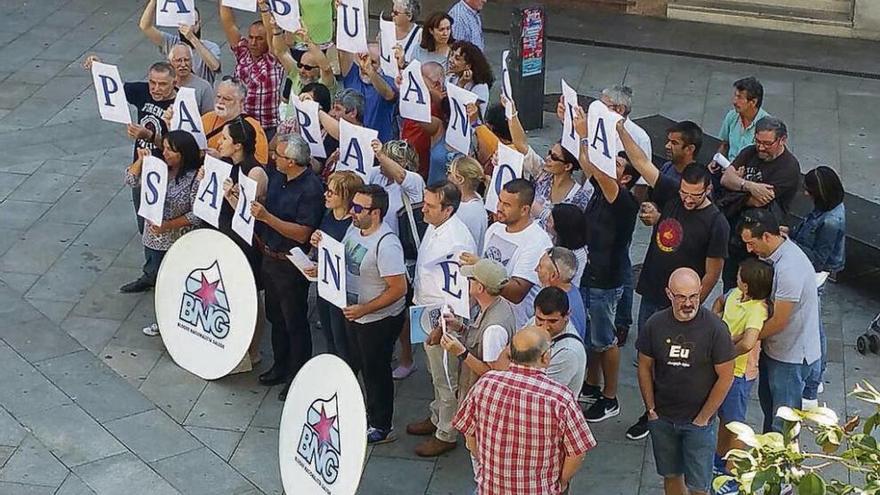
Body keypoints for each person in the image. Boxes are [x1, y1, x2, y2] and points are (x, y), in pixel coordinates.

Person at [620, 123, 730, 439]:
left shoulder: (716, 224)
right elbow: (642, 163)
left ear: (707, 190)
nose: (687, 200)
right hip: (654, 290)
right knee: (647, 356)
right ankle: (650, 410)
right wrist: (621, 131)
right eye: (684, 193)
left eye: (694, 196)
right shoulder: (671, 192)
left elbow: (712, 272)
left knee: (672, 361)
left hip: (680, 304)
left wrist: (690, 305)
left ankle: (666, 411)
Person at [452, 325, 596, 495]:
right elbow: (577, 452)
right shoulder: (560, 398)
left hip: (491, 487)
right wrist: (562, 483)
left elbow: (469, 432)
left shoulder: (486, 383)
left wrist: (484, 462)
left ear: (511, 354)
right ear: (545, 357)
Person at [636, 268, 735, 495]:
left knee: (699, 486)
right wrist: (651, 409)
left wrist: (703, 418)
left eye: (694, 296)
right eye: (681, 297)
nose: (688, 303)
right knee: (671, 476)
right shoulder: (655, 324)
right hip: (663, 418)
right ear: (669, 294)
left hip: (698, 425)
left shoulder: (715, 329)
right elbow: (644, 365)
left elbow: (726, 376)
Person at [322, 185, 408, 444]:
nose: (352, 212)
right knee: (355, 362)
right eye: (353, 206)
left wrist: (365, 309)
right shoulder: (354, 228)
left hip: (377, 320)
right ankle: (361, 410)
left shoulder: (387, 244)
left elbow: (398, 289)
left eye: (359, 208)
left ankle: (382, 425)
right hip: (354, 314)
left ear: (377, 213)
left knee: (376, 372)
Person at [571, 107, 639, 424]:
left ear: (625, 178)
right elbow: (588, 165)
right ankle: (592, 383)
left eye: (617, 164)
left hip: (605, 280)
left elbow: (597, 171)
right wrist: (577, 131)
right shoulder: (601, 188)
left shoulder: (623, 200)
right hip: (589, 273)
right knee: (591, 337)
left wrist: (586, 133)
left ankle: (610, 397)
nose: (606, 164)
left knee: (604, 339)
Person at [406, 180, 476, 457]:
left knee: (447, 376)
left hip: (443, 318)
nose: (423, 209)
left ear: (447, 210)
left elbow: (458, 292)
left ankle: (446, 431)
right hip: (425, 309)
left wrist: (442, 325)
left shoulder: (456, 241)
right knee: (435, 372)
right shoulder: (436, 227)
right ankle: (437, 415)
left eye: (430, 206)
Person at [251, 134, 324, 401]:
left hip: (292, 263)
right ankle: (280, 364)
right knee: (275, 315)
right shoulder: (278, 178)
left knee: (294, 320)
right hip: (270, 257)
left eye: (279, 155)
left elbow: (303, 233)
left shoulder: (311, 189)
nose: (273, 158)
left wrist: (267, 218)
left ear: (292, 161)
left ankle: (298, 372)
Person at [738, 209, 821, 433]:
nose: (749, 249)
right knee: (770, 411)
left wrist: (743, 339)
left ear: (767, 236)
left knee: (783, 423)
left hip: (791, 356)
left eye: (751, 243)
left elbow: (779, 321)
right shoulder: (776, 255)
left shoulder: (789, 268)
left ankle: (782, 465)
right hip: (776, 349)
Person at [82, 56, 177, 234]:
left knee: (163, 226)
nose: (156, 89)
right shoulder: (143, 91)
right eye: (152, 82)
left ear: (174, 82)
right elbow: (112, 88)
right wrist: (99, 68)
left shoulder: (179, 105)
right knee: (144, 225)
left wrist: (149, 136)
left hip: (168, 172)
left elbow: (178, 145)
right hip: (141, 168)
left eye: (162, 84)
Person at [710, 258, 773, 495]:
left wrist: (725, 351)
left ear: (747, 285)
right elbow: (719, 301)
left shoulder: (758, 309)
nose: (736, 279)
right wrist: (716, 319)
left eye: (739, 276)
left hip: (738, 374)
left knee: (735, 424)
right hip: (725, 369)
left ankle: (734, 475)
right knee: (725, 419)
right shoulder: (735, 294)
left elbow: (748, 342)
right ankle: (720, 460)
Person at [718, 116, 801, 291]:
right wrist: (748, 185)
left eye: (767, 143)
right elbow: (726, 179)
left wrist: (738, 186)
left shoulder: (788, 167)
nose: (761, 148)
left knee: (752, 288)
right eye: (758, 141)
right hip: (736, 233)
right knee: (730, 283)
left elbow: (759, 200)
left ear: (782, 140)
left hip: (762, 239)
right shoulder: (750, 152)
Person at [600, 85, 652, 346]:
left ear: (618, 110)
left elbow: (642, 181)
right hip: (600, 201)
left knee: (621, 262)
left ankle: (622, 321)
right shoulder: (599, 127)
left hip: (620, 208)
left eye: (605, 104)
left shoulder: (638, 137)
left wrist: (628, 212)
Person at [462, 179, 553, 328]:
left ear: (524, 210)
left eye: (507, 205)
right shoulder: (494, 229)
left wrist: (481, 266)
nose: (499, 208)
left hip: (514, 326)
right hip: (485, 318)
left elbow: (517, 293)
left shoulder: (537, 241)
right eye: (500, 201)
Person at [789, 166, 846, 404]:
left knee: (812, 330)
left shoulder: (831, 221)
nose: (805, 195)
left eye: (809, 191)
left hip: (814, 275)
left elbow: (818, 259)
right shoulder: (827, 209)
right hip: (810, 269)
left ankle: (813, 381)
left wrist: (789, 241)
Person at [121, 131, 201, 295]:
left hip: (177, 238)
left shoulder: (195, 178)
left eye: (170, 150)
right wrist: (141, 161)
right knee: (152, 263)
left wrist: (168, 225)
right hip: (152, 235)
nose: (165, 153)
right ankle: (148, 277)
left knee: (173, 282)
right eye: (164, 148)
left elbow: (197, 215)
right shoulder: (156, 167)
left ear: (183, 153)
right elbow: (130, 180)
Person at [507, 96, 592, 232]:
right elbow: (521, 145)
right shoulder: (542, 174)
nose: (547, 158)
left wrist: (583, 136)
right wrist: (511, 112)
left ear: (567, 166)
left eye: (554, 157)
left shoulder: (580, 196)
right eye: (549, 152)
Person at [308, 171, 364, 367]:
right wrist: (315, 242)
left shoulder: (354, 225)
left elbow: (354, 262)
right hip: (326, 289)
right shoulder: (329, 214)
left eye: (332, 193)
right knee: (330, 338)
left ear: (346, 197)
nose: (326, 195)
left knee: (344, 343)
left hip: (344, 294)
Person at [219, 1, 285, 138]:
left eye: (260, 39)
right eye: (251, 37)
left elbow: (271, 33)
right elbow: (228, 24)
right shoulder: (243, 52)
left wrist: (263, 8)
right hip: (240, 124)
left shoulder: (274, 58)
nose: (253, 42)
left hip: (266, 127)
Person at [138, 0, 222, 83]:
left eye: (194, 23)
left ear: (199, 24)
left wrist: (192, 38)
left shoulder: (211, 47)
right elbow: (145, 27)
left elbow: (215, 67)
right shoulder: (172, 42)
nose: (191, 28)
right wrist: (154, 1)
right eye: (187, 24)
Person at [530, 286, 587, 397]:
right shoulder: (535, 320)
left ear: (567, 315)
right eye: (540, 319)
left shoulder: (569, 352)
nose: (545, 327)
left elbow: (540, 394)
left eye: (552, 321)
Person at [271, 24, 337, 118]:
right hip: (291, 130)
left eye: (308, 68)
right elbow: (280, 52)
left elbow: (326, 68)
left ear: (318, 69)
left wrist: (308, 42)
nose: (302, 70)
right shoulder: (296, 74)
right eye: (300, 65)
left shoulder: (325, 84)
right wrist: (276, 30)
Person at [201, 78, 270, 165]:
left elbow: (260, 166)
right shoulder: (206, 118)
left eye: (227, 99)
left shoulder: (252, 127)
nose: (220, 102)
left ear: (241, 102)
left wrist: (221, 159)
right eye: (218, 96)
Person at [339, 43, 398, 142]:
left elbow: (388, 95)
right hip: (353, 142)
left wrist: (370, 72)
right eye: (365, 59)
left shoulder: (389, 81)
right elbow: (344, 46)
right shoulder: (352, 74)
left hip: (379, 146)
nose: (367, 64)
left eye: (373, 62)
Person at [401, 61, 446, 179]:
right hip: (406, 158)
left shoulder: (441, 104)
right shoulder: (414, 97)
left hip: (423, 167)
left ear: (436, 84)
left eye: (421, 79)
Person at [535, 247, 587, 340]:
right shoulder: (571, 291)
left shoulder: (563, 306)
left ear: (553, 275)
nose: (536, 269)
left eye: (540, 266)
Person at [717, 77, 770, 163]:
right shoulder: (732, 116)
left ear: (753, 102)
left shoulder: (767, 126)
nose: (734, 101)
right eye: (735, 95)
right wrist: (717, 159)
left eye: (739, 97)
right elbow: (724, 144)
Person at [447, 156, 488, 253]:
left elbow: (469, 244)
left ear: (460, 179)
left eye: (449, 172)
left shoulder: (472, 211)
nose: (447, 177)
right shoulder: (472, 199)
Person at [446, 40, 493, 116]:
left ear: (468, 65)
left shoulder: (480, 87)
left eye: (457, 58)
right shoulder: (452, 77)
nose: (451, 60)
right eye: (451, 55)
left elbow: (461, 111)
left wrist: (461, 84)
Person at [166, 44, 214, 114]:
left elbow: (209, 117)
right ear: (170, 62)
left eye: (186, 60)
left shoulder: (204, 87)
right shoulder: (163, 84)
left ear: (192, 62)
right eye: (179, 60)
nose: (183, 65)